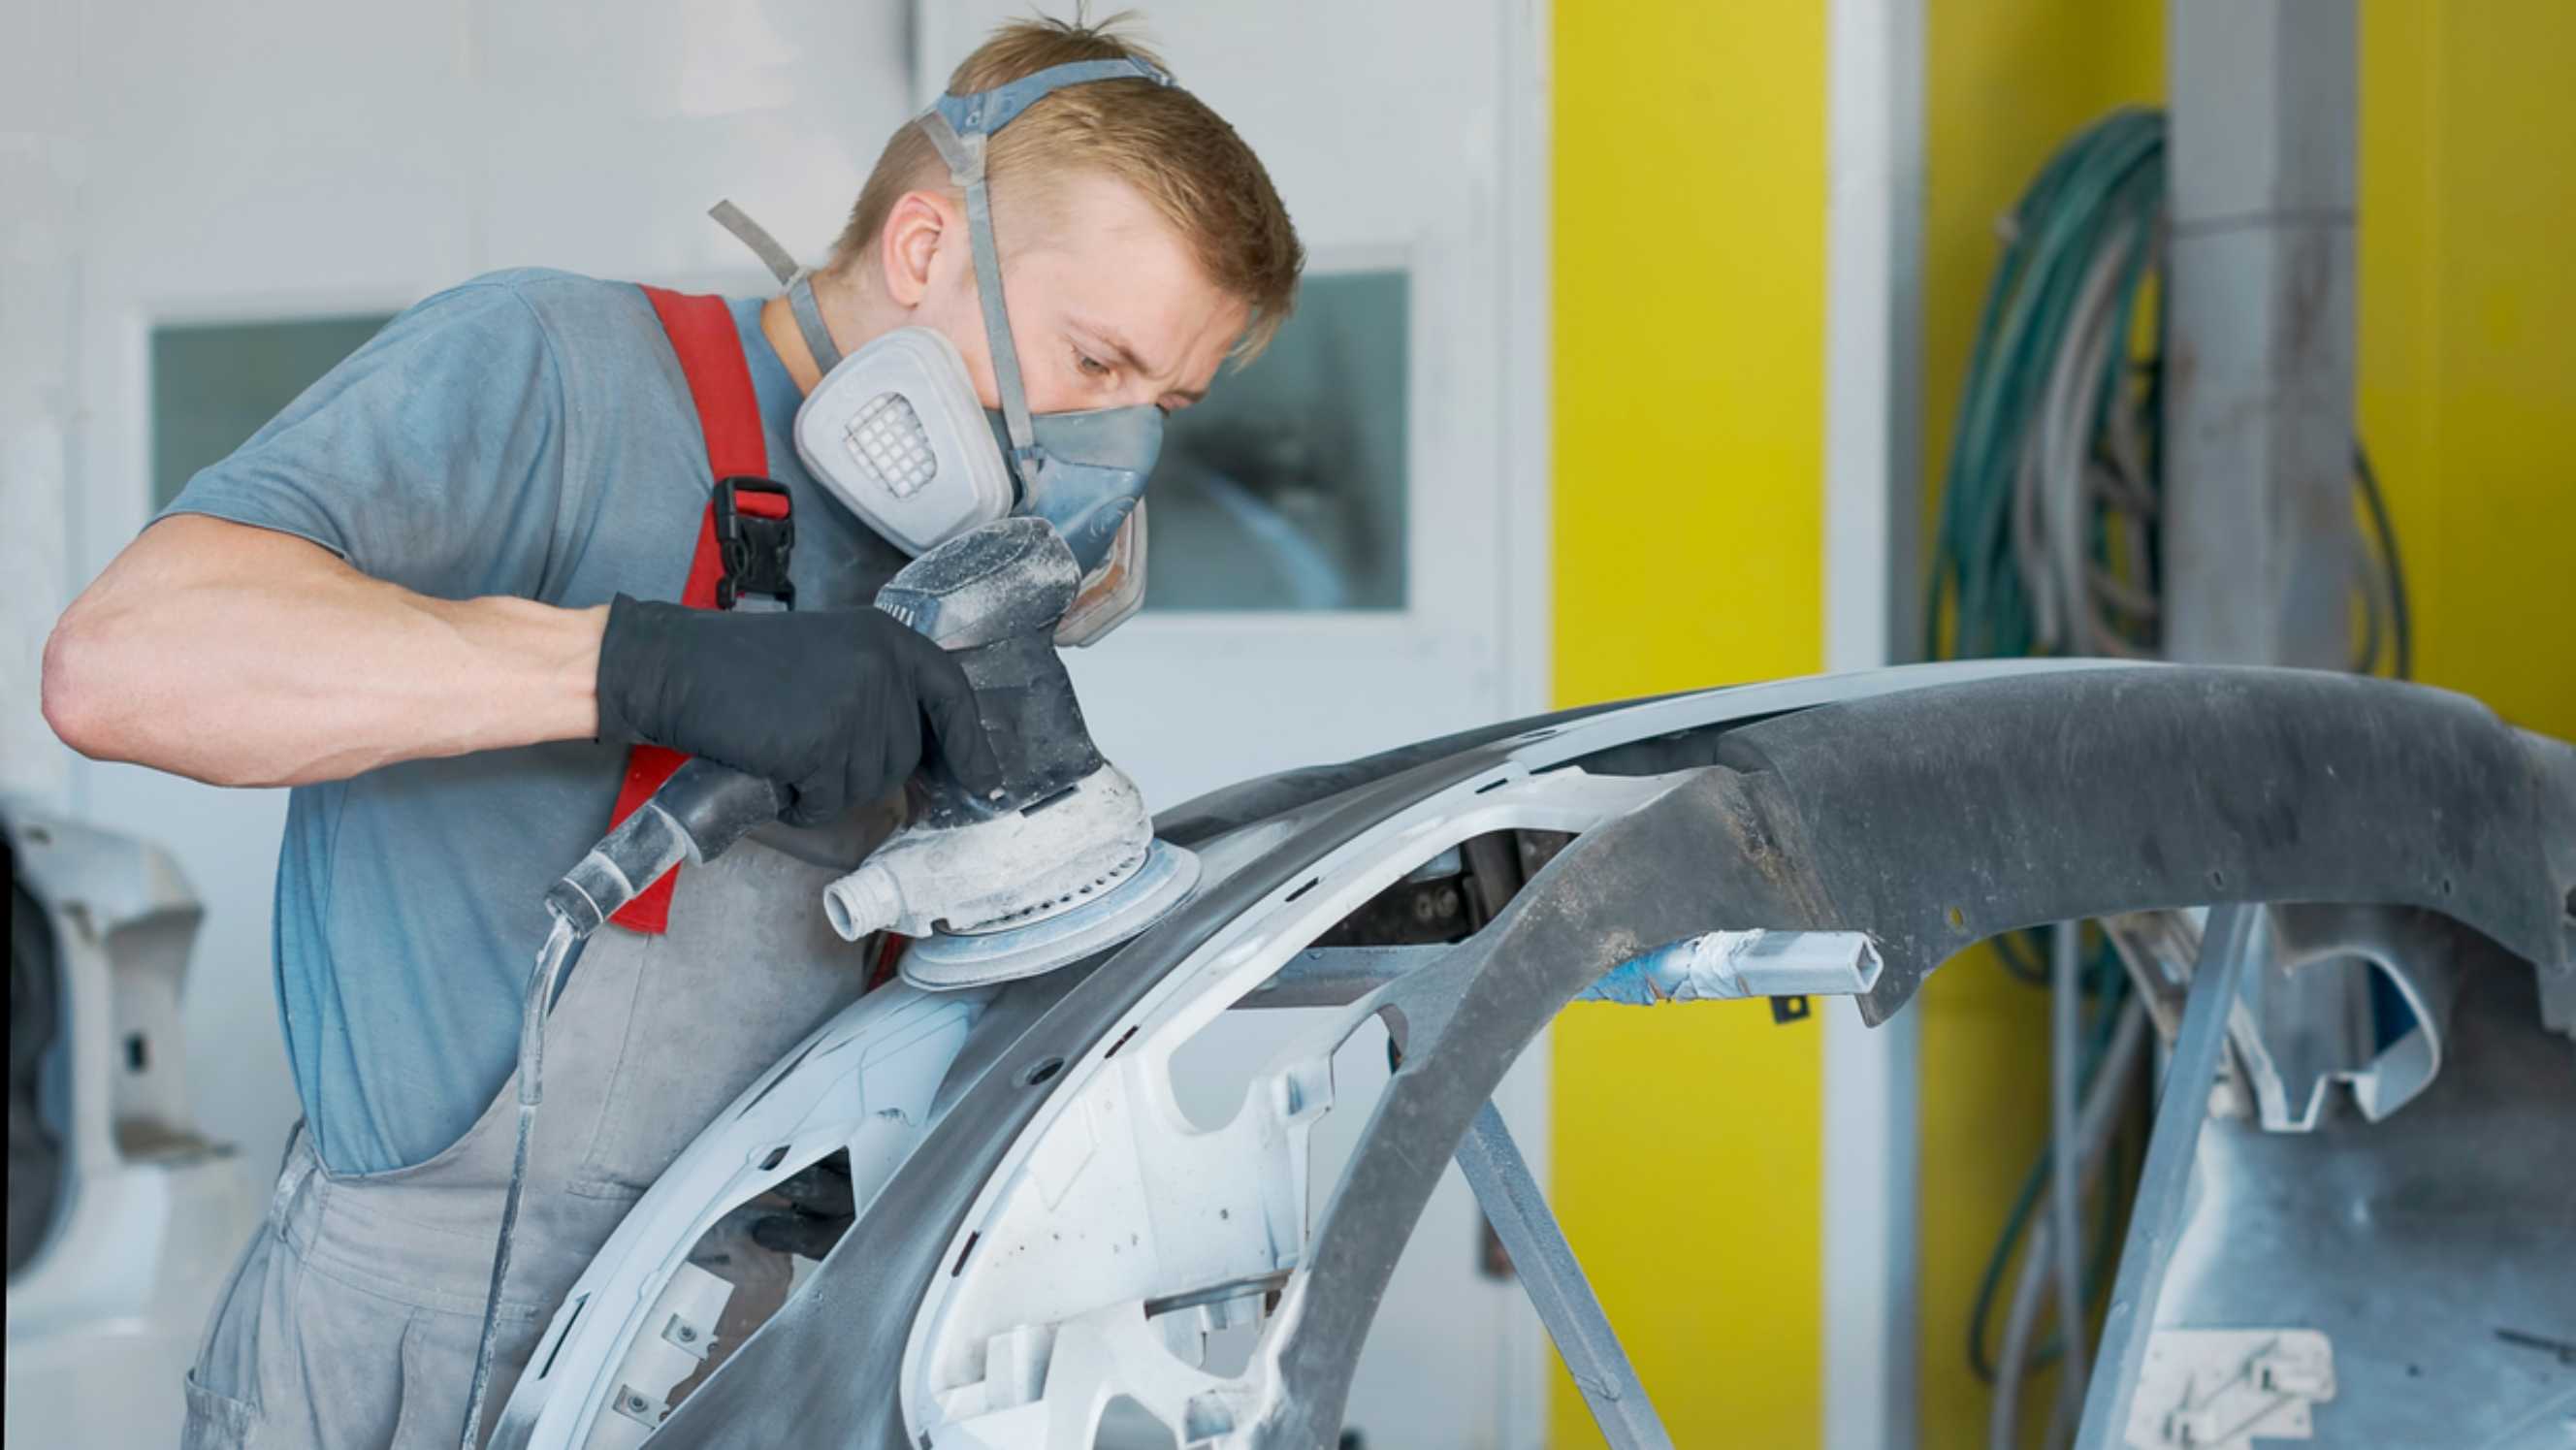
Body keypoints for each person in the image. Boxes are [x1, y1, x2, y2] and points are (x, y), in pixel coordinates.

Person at [40, 15, 1302, 1447]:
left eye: (1163, 406)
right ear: (924, 250)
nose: (1114, 448)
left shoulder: (953, 569)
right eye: (1094, 362)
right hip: (405, 1356)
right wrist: (632, 666)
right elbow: (122, 666)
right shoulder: (556, 370)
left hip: (753, 1350)